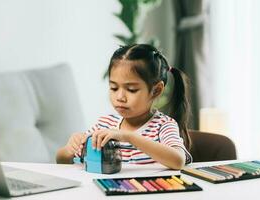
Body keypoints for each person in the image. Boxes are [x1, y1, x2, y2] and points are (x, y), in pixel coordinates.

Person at [56, 44, 192, 169]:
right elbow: (62, 161)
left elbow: (178, 161)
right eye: (114, 88)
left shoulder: (163, 125)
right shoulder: (104, 124)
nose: (120, 97)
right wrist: (69, 149)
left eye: (131, 89)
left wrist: (129, 137)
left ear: (156, 90)